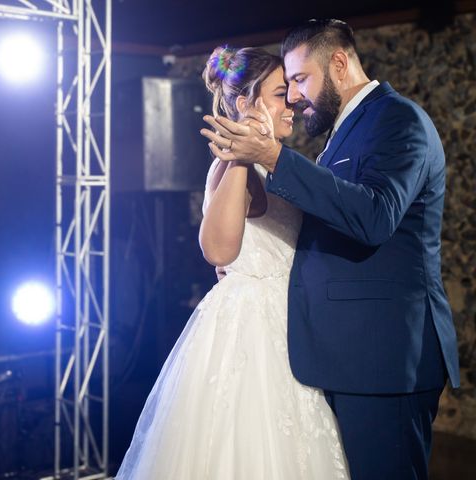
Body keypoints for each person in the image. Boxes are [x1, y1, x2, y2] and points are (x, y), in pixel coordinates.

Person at [201, 19, 460, 480]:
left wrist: (273, 158)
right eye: (288, 86)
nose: (296, 97)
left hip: (384, 358)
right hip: (330, 355)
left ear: (339, 63)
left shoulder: (397, 121)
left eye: (299, 80)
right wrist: (249, 268)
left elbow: (373, 217)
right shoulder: (343, 132)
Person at [116, 46, 349, 479]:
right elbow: (219, 251)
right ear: (246, 105)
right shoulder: (232, 166)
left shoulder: (276, 166)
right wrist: (241, 152)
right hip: (251, 329)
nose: (294, 102)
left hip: (286, 321)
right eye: (281, 93)